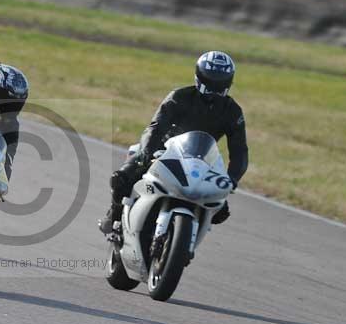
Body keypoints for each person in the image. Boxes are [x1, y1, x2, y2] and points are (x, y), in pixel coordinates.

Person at [99, 51, 248, 234]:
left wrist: (232, 179)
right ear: (199, 78)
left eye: (220, 85)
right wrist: (147, 152)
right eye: (210, 83)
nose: (214, 91)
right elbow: (155, 127)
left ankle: (189, 236)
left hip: (202, 162)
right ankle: (114, 214)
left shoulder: (233, 112)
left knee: (220, 211)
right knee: (122, 178)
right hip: (163, 151)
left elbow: (240, 150)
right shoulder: (179, 97)